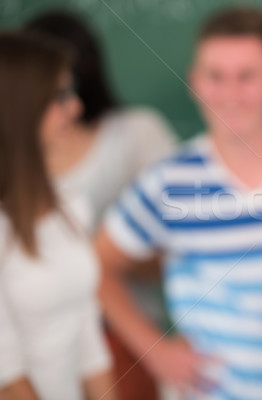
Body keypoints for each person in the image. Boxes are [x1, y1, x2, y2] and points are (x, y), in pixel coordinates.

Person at [96, 6, 262, 400]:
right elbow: (98, 264)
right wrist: (154, 349)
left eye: (246, 76)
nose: (230, 93)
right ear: (196, 82)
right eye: (215, 76)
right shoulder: (169, 180)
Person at [25, 11, 177, 399]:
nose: (69, 107)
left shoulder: (136, 134)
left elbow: (175, 257)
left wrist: (105, 253)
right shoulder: (16, 168)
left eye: (65, 88)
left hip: (128, 343)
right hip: (40, 353)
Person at [0, 31, 115, 400]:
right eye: (60, 96)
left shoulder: (70, 204)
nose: (76, 108)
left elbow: (87, 335)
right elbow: (7, 375)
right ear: (19, 106)